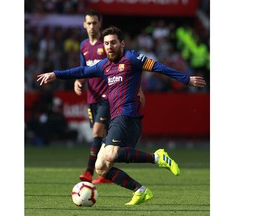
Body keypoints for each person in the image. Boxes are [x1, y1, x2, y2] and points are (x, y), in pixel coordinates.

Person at [37, 26, 206, 205]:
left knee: (110, 155)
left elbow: (158, 67)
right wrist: (55, 74)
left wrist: (186, 79)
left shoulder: (132, 58)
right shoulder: (104, 66)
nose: (110, 47)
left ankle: (158, 157)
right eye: (107, 44)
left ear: (122, 43)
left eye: (113, 43)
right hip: (116, 119)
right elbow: (81, 71)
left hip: (128, 116)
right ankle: (140, 190)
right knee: (101, 167)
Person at [75, 11, 145, 184]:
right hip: (92, 96)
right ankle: (104, 172)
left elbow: (126, 68)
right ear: (84, 25)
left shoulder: (107, 44)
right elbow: (84, 69)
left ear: (100, 24)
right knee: (104, 135)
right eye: (88, 23)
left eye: (94, 23)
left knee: (97, 131)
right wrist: (78, 80)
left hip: (109, 96)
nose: (91, 26)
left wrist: (138, 89)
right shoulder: (83, 45)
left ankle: (89, 172)